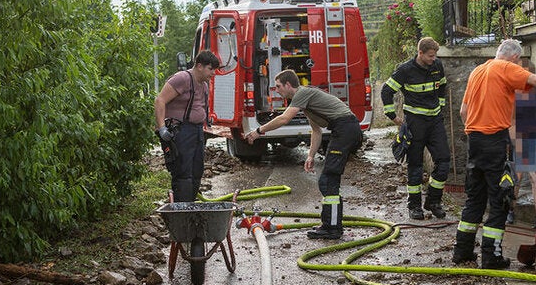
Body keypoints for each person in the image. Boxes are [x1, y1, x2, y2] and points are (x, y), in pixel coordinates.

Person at [453, 39, 536, 269]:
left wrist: (475, 131)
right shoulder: (506, 68)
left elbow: (464, 111)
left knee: (475, 198)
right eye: (518, 61)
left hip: (475, 141)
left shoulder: (477, 71)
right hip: (494, 141)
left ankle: (462, 252)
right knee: (499, 199)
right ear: (514, 58)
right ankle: (491, 256)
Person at [245, 69, 363, 239]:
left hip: (346, 128)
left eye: (278, 86)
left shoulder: (302, 93)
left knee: (328, 180)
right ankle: (330, 225)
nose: (276, 90)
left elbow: (284, 119)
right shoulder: (306, 100)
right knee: (328, 180)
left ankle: (333, 229)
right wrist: (310, 156)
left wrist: (258, 131)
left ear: (288, 85)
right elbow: (316, 131)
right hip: (345, 129)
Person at [380, 37, 451, 221]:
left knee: (444, 161)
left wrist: (440, 107)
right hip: (415, 123)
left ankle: (433, 201)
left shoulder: (437, 65)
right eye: (430, 56)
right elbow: (386, 91)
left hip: (435, 121)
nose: (433, 59)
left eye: (435, 56)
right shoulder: (405, 70)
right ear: (420, 53)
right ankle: (414, 206)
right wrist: (393, 117)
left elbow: (442, 85)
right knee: (415, 166)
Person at [154, 50, 219, 202]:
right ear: (199, 66)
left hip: (197, 131)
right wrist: (162, 127)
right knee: (183, 173)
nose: (213, 73)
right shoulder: (182, 78)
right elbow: (160, 100)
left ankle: (190, 205)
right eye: (210, 69)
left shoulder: (203, 85)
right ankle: (182, 208)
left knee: (197, 171)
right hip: (182, 131)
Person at [508, 58, 536, 235]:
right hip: (520, 133)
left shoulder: (533, 91)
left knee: (534, 178)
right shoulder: (515, 91)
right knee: (517, 177)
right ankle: (510, 210)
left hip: (532, 133)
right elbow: (510, 119)